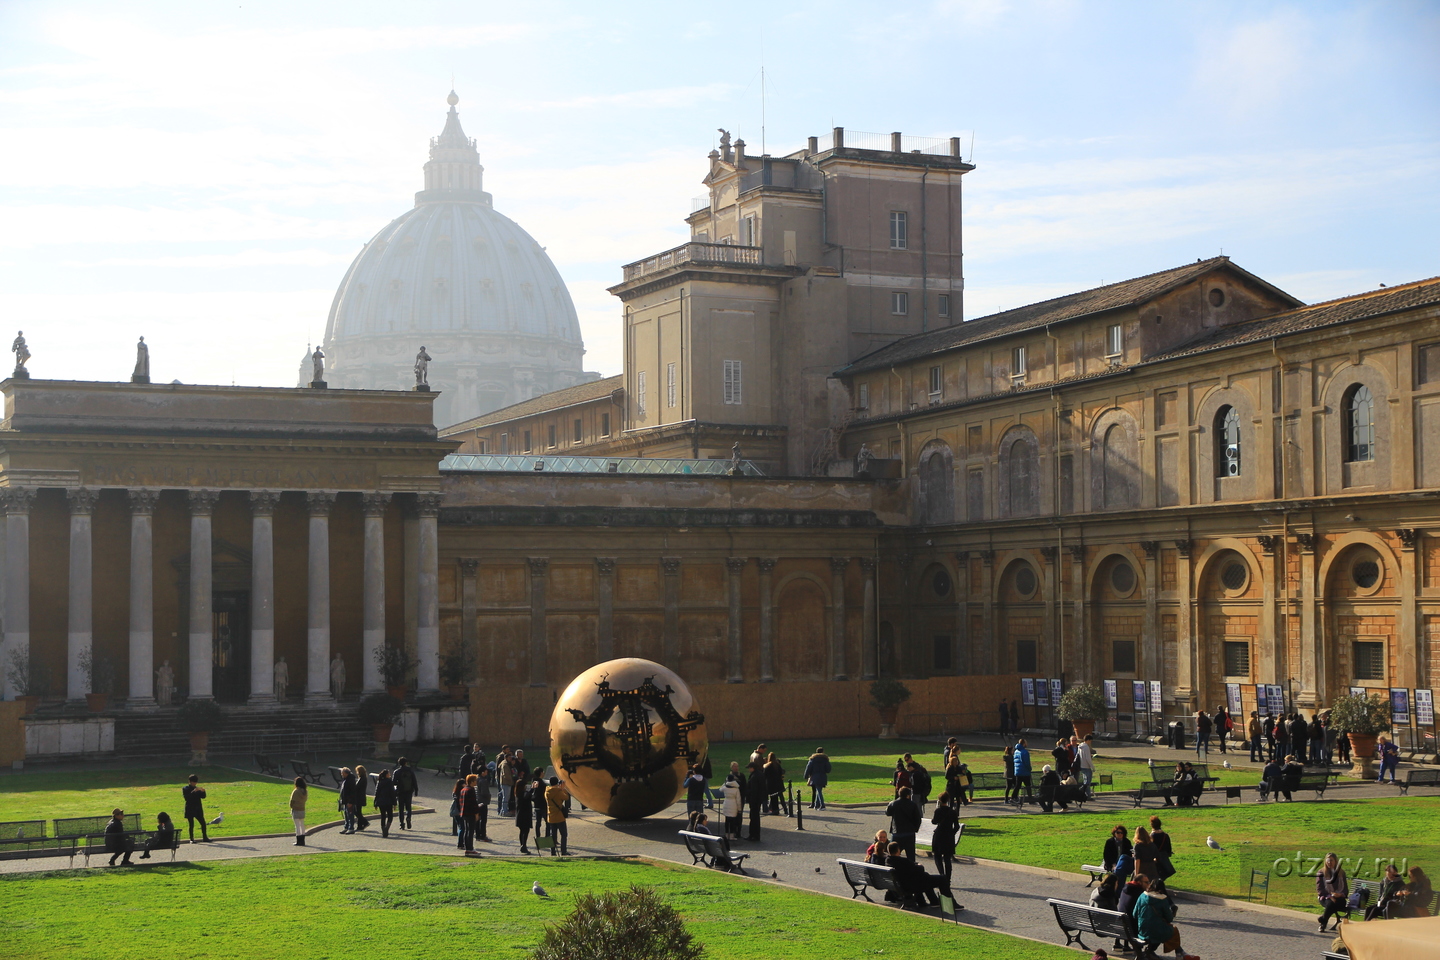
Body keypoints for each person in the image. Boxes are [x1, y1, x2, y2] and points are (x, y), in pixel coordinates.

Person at [1134, 878, 1199, 960]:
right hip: (1155, 931)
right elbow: (1169, 918)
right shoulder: (1162, 899)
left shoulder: (1142, 896)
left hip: (1142, 930)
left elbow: (1134, 913)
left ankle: (1180, 953)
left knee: (1164, 929)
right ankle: (1179, 953)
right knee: (1173, 930)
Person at [885, 841, 955, 908]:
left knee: (927, 878)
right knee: (941, 879)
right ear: (898, 850)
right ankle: (950, 904)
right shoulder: (903, 861)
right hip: (911, 886)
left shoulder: (888, 861)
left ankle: (934, 901)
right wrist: (920, 865)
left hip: (902, 885)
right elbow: (918, 870)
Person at [930, 792, 960, 883]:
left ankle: (942, 875)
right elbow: (957, 826)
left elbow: (934, 822)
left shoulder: (938, 811)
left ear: (939, 800)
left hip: (939, 835)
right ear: (948, 800)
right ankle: (948, 878)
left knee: (937, 857)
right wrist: (952, 833)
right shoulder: (953, 812)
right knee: (947, 858)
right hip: (948, 836)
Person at [886, 785, 922, 860]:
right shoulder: (912, 805)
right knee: (910, 855)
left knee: (893, 853)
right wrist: (915, 829)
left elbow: (888, 813)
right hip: (909, 832)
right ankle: (911, 870)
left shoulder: (894, 803)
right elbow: (917, 819)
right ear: (908, 795)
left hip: (897, 832)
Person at [1315, 852, 1348, 932]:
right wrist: (1330, 896)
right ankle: (1323, 923)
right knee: (1330, 903)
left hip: (1339, 898)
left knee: (1334, 904)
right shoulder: (1321, 872)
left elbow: (1345, 889)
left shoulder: (1341, 873)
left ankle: (1323, 920)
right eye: (1328, 860)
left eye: (1331, 860)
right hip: (1325, 897)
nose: (1329, 862)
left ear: (1335, 861)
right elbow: (1320, 889)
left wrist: (1340, 894)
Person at [544, 776, 569, 856]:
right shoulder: (558, 792)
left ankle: (553, 852)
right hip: (559, 817)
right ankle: (563, 851)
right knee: (564, 834)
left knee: (553, 835)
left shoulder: (547, 792)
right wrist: (563, 788)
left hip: (551, 816)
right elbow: (566, 797)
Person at [392, 757, 418, 830]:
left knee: (401, 808)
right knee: (408, 807)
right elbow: (414, 781)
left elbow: (393, 782)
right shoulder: (410, 771)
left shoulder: (397, 772)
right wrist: (416, 790)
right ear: (406, 763)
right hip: (409, 791)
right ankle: (408, 818)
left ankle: (402, 824)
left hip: (400, 792)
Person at [182, 774, 209, 842]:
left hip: (198, 808)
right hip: (190, 808)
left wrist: (203, 792)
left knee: (203, 823)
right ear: (190, 781)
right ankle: (191, 838)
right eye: (193, 782)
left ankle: (205, 837)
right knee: (191, 824)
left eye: (195, 782)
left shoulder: (197, 789)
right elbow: (187, 798)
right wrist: (194, 791)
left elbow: (203, 797)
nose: (194, 783)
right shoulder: (186, 788)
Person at [744, 761, 766, 841]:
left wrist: (748, 795)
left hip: (754, 800)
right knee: (756, 817)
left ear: (752, 768)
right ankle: (756, 835)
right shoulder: (760, 774)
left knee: (753, 818)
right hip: (759, 799)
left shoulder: (754, 776)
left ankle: (753, 835)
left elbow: (753, 790)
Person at [459, 773, 480, 852]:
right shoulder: (471, 790)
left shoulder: (463, 790)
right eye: (475, 780)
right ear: (472, 781)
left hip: (464, 813)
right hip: (470, 813)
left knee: (466, 830)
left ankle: (466, 846)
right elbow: (473, 803)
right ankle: (470, 848)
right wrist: (476, 813)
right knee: (470, 831)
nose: (476, 782)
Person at [374, 769, 397, 839]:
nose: (390, 774)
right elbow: (392, 793)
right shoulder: (389, 782)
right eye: (389, 773)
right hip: (388, 801)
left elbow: (376, 793)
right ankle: (387, 827)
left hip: (381, 801)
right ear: (386, 775)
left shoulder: (380, 782)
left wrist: (375, 803)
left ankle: (383, 828)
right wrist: (395, 803)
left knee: (383, 816)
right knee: (390, 816)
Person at [515, 770, 534, 854]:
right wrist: (532, 789)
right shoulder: (522, 793)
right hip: (525, 814)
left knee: (522, 831)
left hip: (520, 814)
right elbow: (527, 797)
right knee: (525, 831)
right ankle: (524, 845)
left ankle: (522, 845)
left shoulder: (518, 793)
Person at [473, 762, 493, 841]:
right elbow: (485, 792)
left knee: (477, 819)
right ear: (482, 772)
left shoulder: (476, 779)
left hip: (477, 801)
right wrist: (489, 797)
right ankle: (483, 835)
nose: (487, 773)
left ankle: (478, 834)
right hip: (483, 802)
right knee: (483, 819)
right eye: (485, 771)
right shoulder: (483, 781)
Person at [684, 765, 707, 829]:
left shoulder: (690, 780)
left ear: (694, 771)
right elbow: (706, 790)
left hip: (691, 799)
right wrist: (710, 801)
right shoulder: (704, 780)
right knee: (700, 818)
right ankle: (699, 830)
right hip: (699, 799)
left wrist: (687, 776)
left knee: (691, 818)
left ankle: (691, 830)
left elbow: (684, 785)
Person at [1012, 738, 1033, 803]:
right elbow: (1026, 762)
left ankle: (1013, 797)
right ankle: (1030, 799)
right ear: (1024, 743)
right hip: (1025, 771)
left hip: (1018, 771)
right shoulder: (1025, 752)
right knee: (1028, 786)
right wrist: (1029, 769)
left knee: (1017, 785)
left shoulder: (1016, 751)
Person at [722, 773, 742, 840]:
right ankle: (732, 835)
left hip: (726, 803)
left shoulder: (725, 787)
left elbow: (720, 789)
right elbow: (738, 800)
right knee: (732, 822)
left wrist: (725, 782)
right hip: (733, 804)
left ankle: (726, 834)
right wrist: (739, 809)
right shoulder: (736, 789)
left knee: (727, 821)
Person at [289, 777, 307, 846]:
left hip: (296, 809)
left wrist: (292, 806)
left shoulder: (296, 791)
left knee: (297, 826)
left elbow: (292, 801)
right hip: (302, 809)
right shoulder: (305, 791)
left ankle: (298, 840)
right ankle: (303, 840)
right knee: (302, 825)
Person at [353, 764, 371, 831]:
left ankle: (365, 822)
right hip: (359, 797)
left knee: (357, 812)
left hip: (359, 798)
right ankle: (360, 826)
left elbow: (357, 788)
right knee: (358, 811)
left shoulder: (362, 779)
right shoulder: (362, 778)